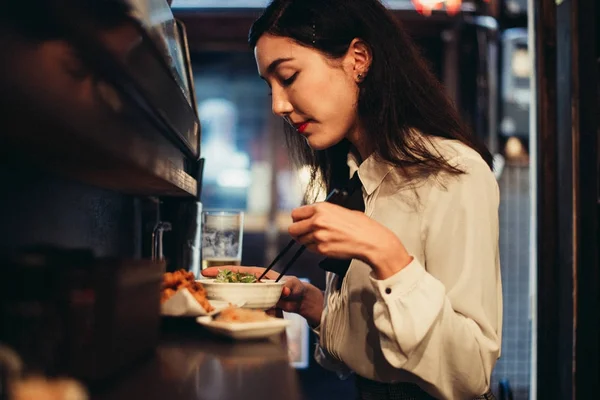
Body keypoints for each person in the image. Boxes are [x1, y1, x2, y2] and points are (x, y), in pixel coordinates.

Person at [202, 0, 502, 399]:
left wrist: (387, 254)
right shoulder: (355, 174)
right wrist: (313, 305)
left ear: (358, 59)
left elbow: (471, 373)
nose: (278, 105)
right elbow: (370, 354)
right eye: (270, 86)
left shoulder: (453, 171)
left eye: (288, 77)